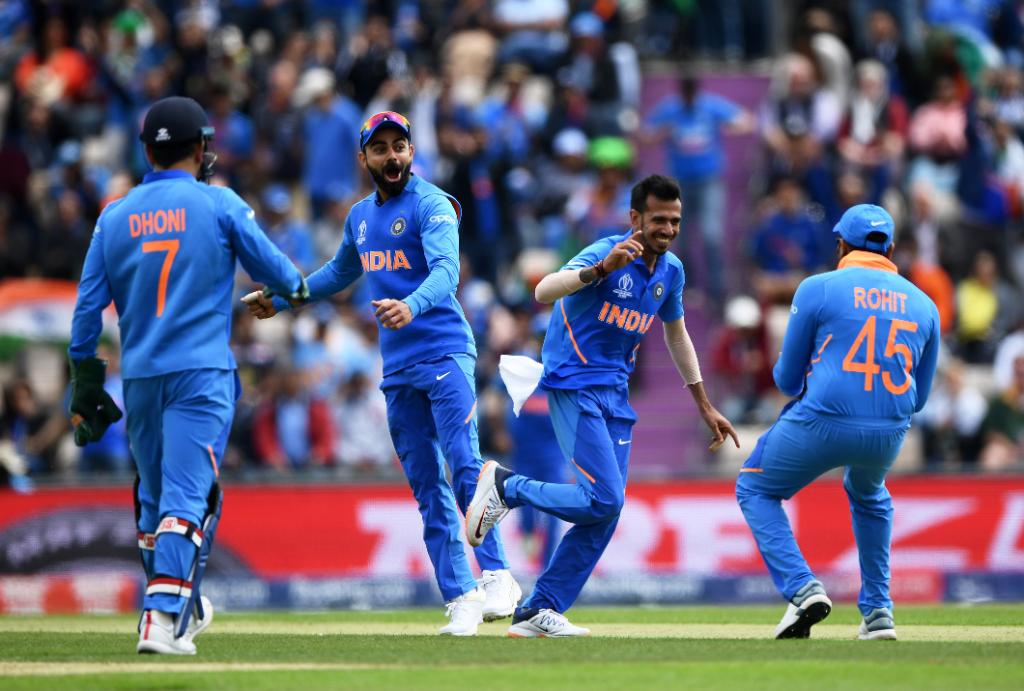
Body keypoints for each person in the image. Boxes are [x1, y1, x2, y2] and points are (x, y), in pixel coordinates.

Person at [244, 111, 520, 636]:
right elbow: (336, 274)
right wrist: (282, 300)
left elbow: (447, 272)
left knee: (465, 465)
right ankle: (460, 596)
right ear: (364, 157)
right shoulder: (359, 218)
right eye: (381, 149)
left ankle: (500, 576)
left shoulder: (433, 203)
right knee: (426, 487)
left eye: (400, 147)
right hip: (398, 370)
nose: (392, 156)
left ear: (411, 153)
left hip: (444, 355)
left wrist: (411, 307)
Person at [68, 96, 308, 655]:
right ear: (200, 148)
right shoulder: (219, 203)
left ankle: (180, 601)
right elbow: (283, 275)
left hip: (140, 379)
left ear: (148, 150)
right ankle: (161, 616)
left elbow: (85, 313)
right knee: (188, 500)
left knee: (154, 502)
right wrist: (295, 292)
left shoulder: (114, 215)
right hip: (200, 373)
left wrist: (84, 380)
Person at [466, 174, 739, 637]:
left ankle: (539, 609)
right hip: (573, 384)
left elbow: (676, 334)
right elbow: (544, 291)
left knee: (606, 511)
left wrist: (704, 403)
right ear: (635, 217)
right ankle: (507, 488)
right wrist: (599, 271)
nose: (667, 229)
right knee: (605, 498)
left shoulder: (670, 271)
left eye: (675, 221)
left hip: (615, 394)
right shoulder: (606, 251)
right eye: (658, 219)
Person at [734, 204, 940, 641]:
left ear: (841, 245)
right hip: (888, 432)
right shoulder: (925, 305)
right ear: (892, 249)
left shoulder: (817, 288)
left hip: (823, 421)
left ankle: (802, 588)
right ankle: (879, 612)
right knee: (869, 492)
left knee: (754, 487)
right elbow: (919, 398)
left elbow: (788, 381)